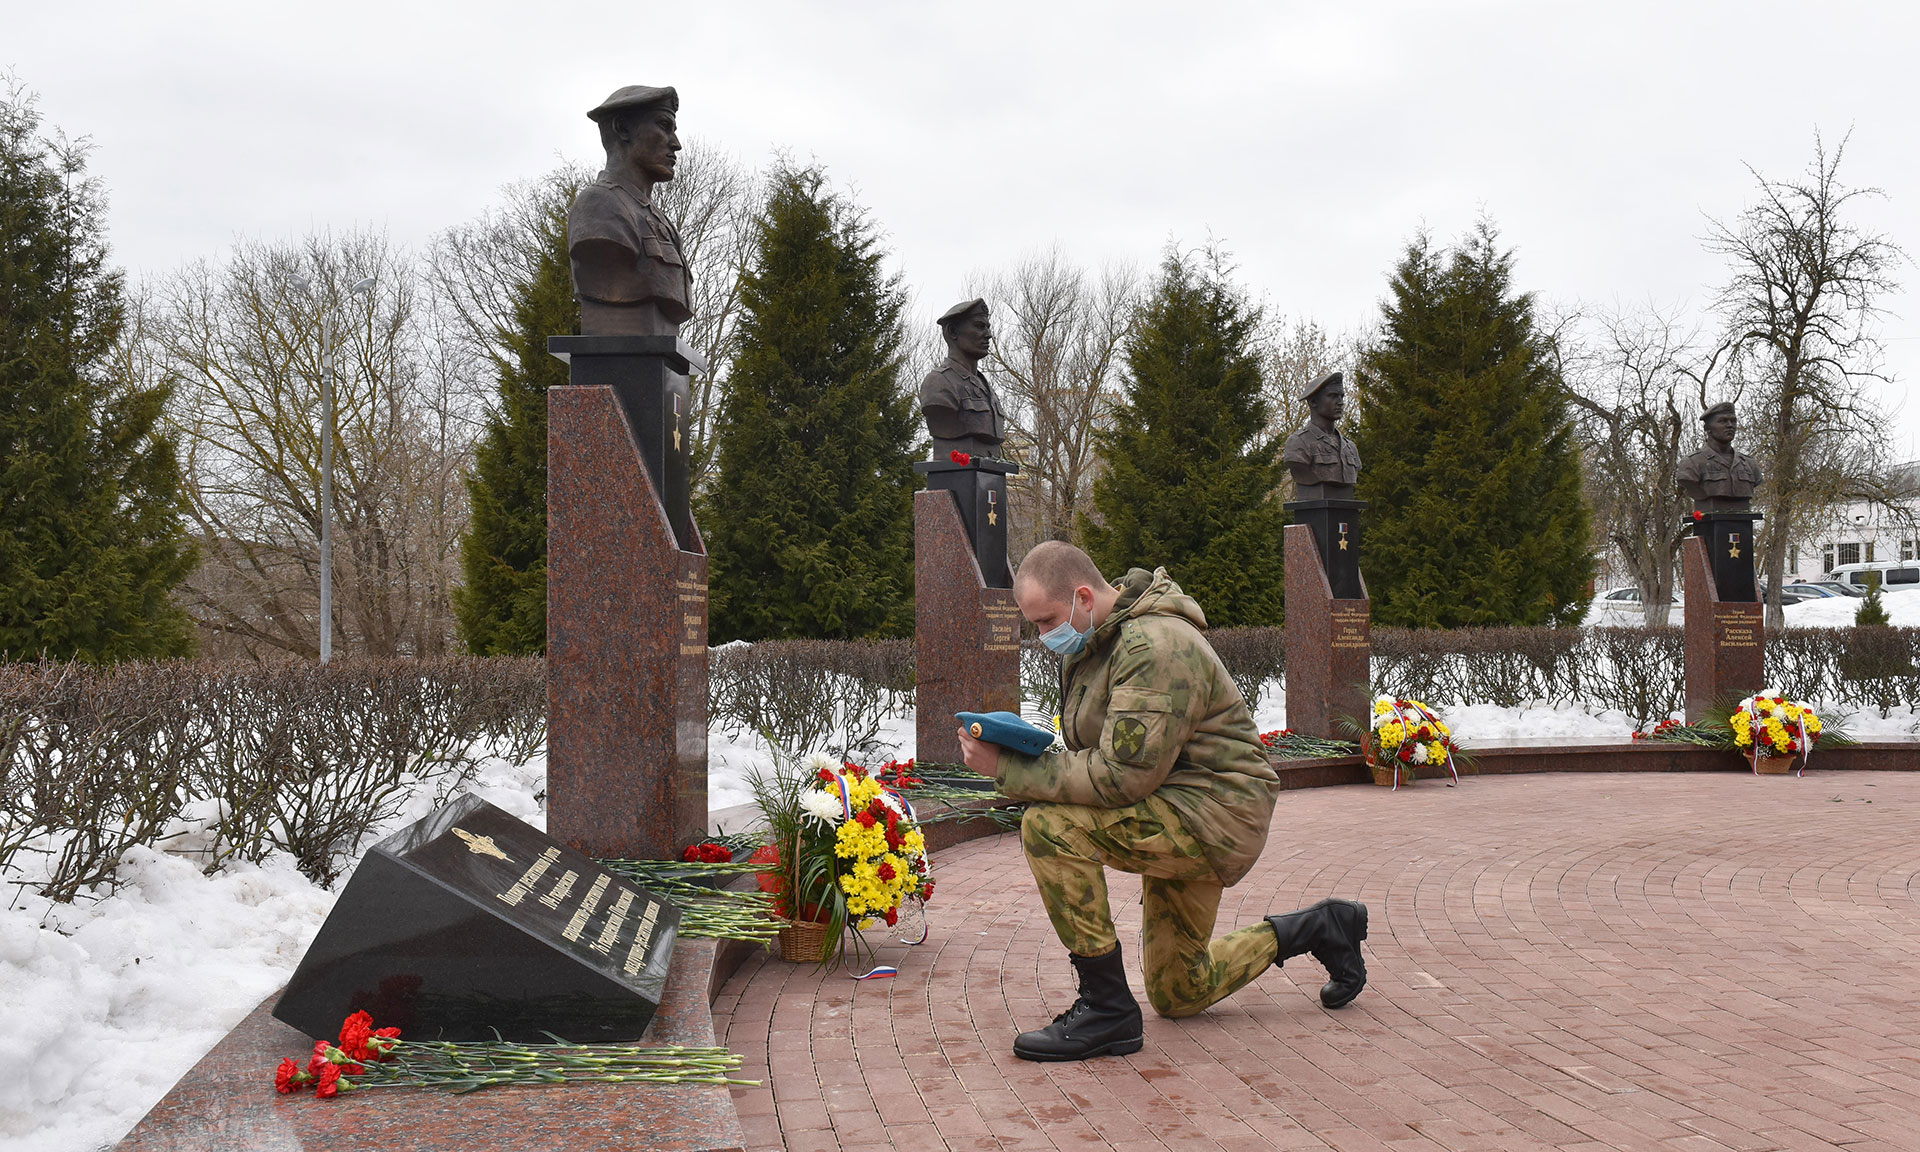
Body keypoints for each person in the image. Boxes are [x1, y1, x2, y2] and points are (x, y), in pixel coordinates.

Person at [957, 541, 1369, 1062]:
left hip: (1215, 815)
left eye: (1046, 621)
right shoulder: (1096, 642)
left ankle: (1107, 1009)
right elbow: (1106, 754)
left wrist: (1010, 770)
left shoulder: (1154, 647)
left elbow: (1120, 777)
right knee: (1180, 992)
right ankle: (1322, 927)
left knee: (1050, 827)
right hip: (1171, 802)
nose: (1043, 636)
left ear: (1084, 597)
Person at [568, 84, 695, 338]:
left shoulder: (657, 219)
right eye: (664, 126)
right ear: (623, 128)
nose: (676, 144)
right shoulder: (599, 205)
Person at [919, 299, 1008, 461]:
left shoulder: (986, 387)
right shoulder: (938, 382)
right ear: (953, 331)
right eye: (979, 326)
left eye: (988, 327)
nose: (988, 334)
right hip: (959, 468)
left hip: (990, 465)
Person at [1280, 371, 1361, 500]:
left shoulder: (1350, 447)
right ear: (1313, 402)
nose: (1340, 402)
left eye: (1341, 396)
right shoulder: (1298, 442)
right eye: (1333, 396)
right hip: (1316, 505)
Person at [1676, 402, 1763, 513]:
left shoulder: (1750, 464)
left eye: (1733, 421)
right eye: (1722, 421)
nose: (1730, 425)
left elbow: (1757, 480)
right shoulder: (1692, 462)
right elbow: (1687, 482)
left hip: (1743, 517)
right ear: (1707, 428)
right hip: (1710, 519)